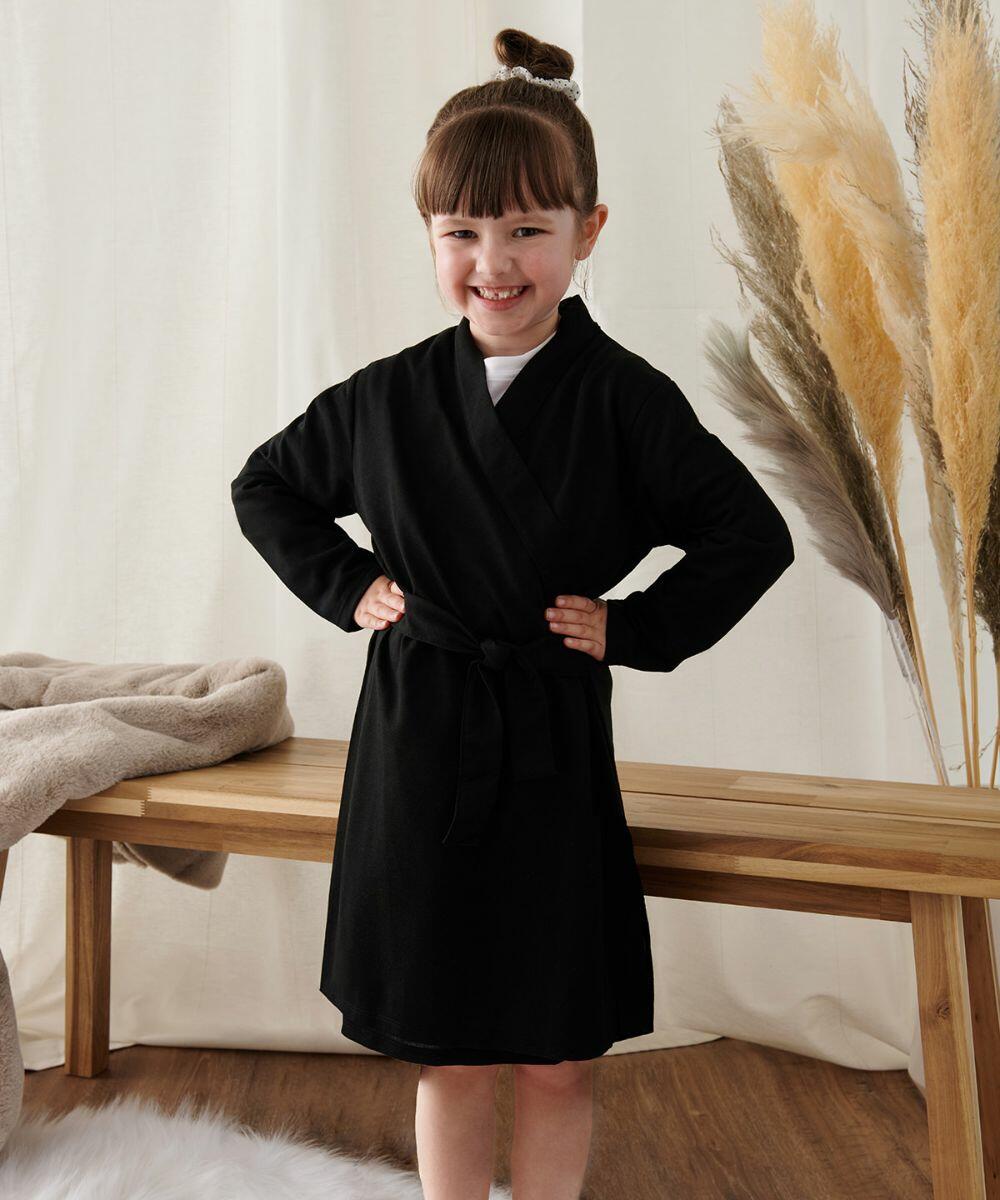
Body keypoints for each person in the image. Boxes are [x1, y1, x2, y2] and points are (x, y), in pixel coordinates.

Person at [230, 26, 795, 1200]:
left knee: (552, 1049)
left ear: (590, 231)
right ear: (432, 237)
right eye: (463, 233)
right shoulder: (386, 397)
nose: (496, 262)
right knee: (451, 1049)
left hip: (544, 747)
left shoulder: (627, 401)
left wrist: (632, 628)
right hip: (419, 741)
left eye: (529, 230)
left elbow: (751, 537)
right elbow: (265, 485)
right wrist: (346, 587)